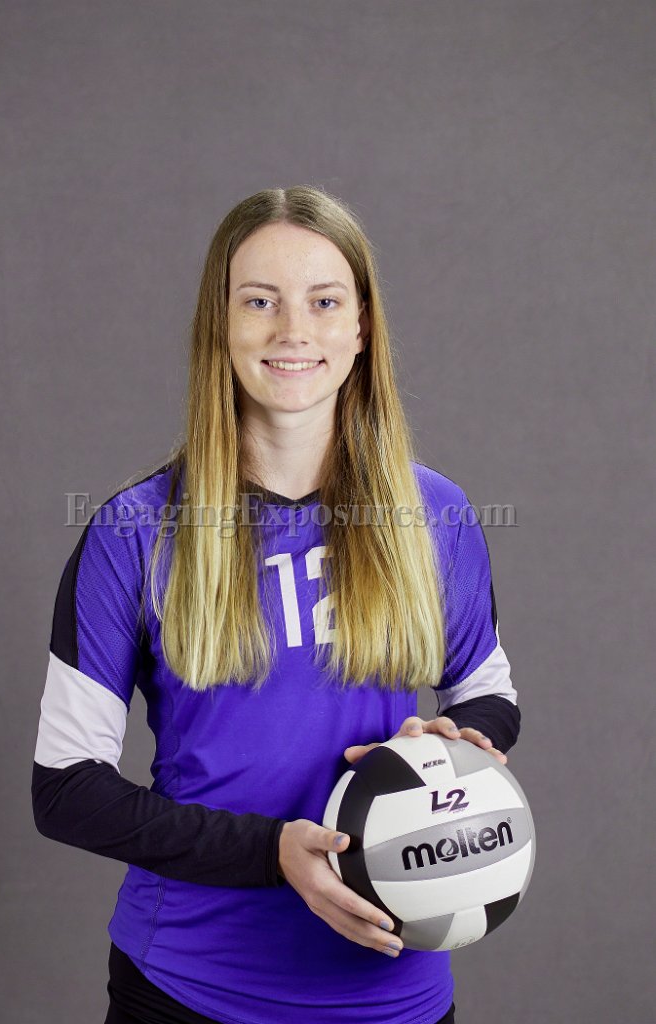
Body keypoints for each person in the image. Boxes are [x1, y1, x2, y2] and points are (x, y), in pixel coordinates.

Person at [32, 185, 520, 1024]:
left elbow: (487, 692)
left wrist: (453, 739)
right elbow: (66, 788)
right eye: (259, 301)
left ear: (361, 328)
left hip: (394, 994)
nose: (293, 329)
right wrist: (271, 853)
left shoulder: (432, 515)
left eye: (323, 301)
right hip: (188, 988)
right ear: (218, 326)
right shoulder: (134, 532)